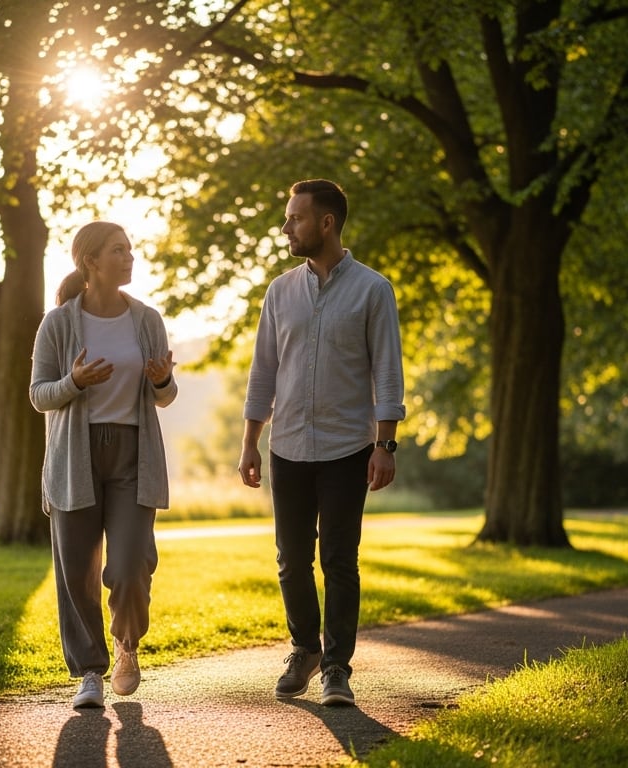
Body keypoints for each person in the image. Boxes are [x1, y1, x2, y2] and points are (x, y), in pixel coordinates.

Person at [237, 179, 405, 707]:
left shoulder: (373, 290)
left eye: (295, 219)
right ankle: (304, 649)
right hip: (285, 445)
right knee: (291, 559)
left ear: (326, 223)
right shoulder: (279, 292)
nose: (286, 227)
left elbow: (387, 372)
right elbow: (262, 372)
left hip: (346, 449)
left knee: (339, 558)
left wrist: (386, 445)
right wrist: (250, 442)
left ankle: (336, 668)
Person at [30, 220, 177, 709]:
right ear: (90, 262)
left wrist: (160, 381)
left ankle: (127, 644)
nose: (129, 257)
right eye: (118, 250)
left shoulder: (147, 320)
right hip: (75, 455)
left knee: (132, 564)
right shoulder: (58, 324)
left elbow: (167, 395)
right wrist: (73, 381)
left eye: (130, 249)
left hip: (133, 455)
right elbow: (38, 395)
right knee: (77, 570)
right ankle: (89, 672)